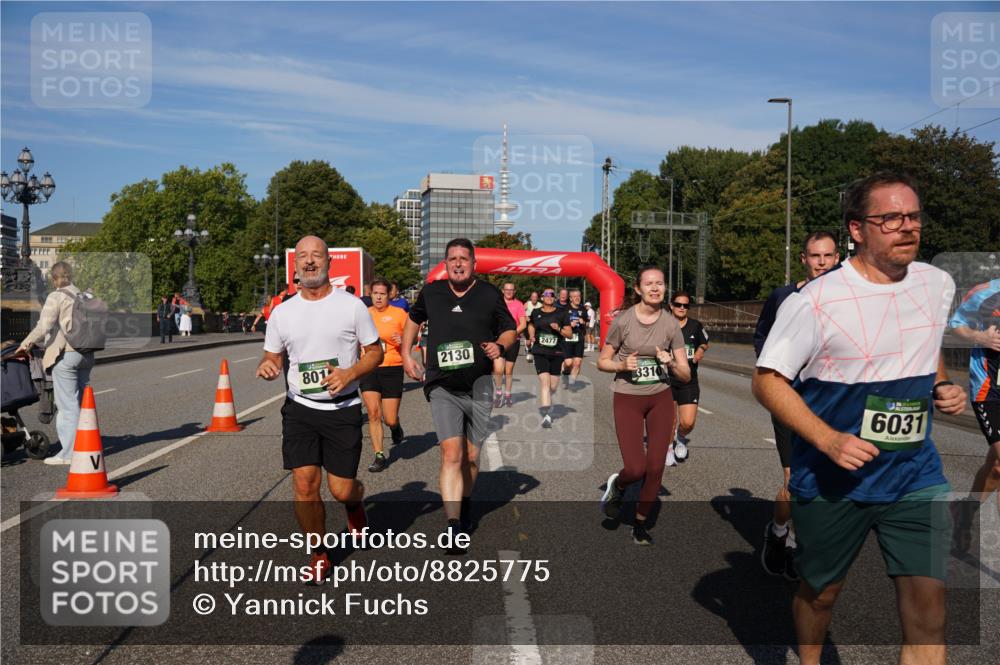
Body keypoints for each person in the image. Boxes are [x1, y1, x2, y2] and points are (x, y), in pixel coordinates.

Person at [752, 172, 966, 665]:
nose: (906, 227)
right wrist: (827, 440)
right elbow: (766, 382)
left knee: (929, 608)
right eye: (890, 218)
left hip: (915, 477)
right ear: (857, 229)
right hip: (833, 481)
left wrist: (939, 384)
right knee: (820, 594)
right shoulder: (815, 302)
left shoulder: (937, 284)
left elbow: (925, 341)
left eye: (912, 216)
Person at [256, 235, 383, 583]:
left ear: (328, 262)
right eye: (303, 257)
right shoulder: (282, 312)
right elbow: (273, 355)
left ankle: (355, 507)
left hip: (343, 409)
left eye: (316, 256)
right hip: (300, 409)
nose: (309, 262)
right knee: (305, 484)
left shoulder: (352, 305)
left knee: (342, 489)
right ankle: (319, 553)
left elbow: (375, 352)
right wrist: (268, 365)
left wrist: (350, 372)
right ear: (295, 265)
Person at [401, 238, 516, 551]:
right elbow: (413, 319)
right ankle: (453, 526)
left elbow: (510, 328)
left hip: (480, 387)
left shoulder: (489, 294)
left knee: (472, 456)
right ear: (446, 262)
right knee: (452, 454)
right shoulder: (432, 291)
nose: (457, 263)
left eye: (463, 258)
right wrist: (405, 352)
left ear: (474, 264)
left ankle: (464, 504)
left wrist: (500, 346)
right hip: (442, 385)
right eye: (452, 258)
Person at [754, 231, 840, 580]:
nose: (821, 262)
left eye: (828, 256)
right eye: (815, 256)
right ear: (803, 258)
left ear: (837, 259)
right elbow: (762, 335)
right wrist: (777, 373)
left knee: (824, 482)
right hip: (790, 400)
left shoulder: (849, 300)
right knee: (795, 482)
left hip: (830, 403)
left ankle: (797, 540)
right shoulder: (784, 296)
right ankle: (778, 533)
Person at [598, 266, 690, 545]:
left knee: (656, 467)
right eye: (649, 284)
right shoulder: (623, 321)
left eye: (660, 284)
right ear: (637, 289)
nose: (655, 288)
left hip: (660, 397)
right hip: (627, 396)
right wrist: (621, 364)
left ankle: (639, 523)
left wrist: (671, 362)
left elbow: (686, 374)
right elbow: (602, 361)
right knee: (636, 468)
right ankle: (620, 484)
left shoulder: (671, 324)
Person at [17, 262, 97, 465]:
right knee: (79, 404)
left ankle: (69, 454)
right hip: (87, 354)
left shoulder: (57, 296)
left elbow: (43, 326)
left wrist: (25, 344)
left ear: (54, 279)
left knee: (67, 406)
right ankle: (86, 445)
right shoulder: (84, 295)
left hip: (66, 353)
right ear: (71, 276)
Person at [948, 277, 1000, 550]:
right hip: (990, 390)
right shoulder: (987, 293)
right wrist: (982, 337)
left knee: (998, 467)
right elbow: (956, 326)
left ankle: (964, 513)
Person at [361, 277, 409, 473]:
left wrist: (403, 339)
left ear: (389, 294)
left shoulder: (399, 314)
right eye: (375, 293)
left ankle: (395, 427)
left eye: (382, 294)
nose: (379, 297)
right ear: (370, 294)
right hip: (369, 368)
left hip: (392, 368)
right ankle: (379, 455)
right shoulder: (363, 314)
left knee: (389, 418)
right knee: (373, 413)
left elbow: (413, 338)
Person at [667, 290, 709, 465]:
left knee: (688, 422)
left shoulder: (695, 326)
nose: (682, 308)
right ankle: (668, 448)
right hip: (666, 379)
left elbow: (704, 342)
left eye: (685, 305)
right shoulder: (663, 325)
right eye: (678, 304)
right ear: (671, 305)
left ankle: (681, 436)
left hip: (688, 380)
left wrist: (700, 351)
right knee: (670, 419)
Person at [527, 288, 573, 428]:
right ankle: (547, 416)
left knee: (553, 386)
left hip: (557, 353)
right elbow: (531, 325)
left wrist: (558, 329)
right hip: (540, 351)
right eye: (546, 294)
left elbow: (569, 334)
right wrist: (531, 336)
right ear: (542, 297)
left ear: (554, 298)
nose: (549, 297)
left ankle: (548, 400)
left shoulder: (562, 313)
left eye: (551, 295)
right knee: (545, 384)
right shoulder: (536, 312)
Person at [493, 282, 527, 407]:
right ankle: (498, 393)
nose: (509, 292)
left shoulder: (519, 304)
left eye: (511, 290)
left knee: (508, 371)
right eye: (507, 289)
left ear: (514, 291)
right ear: (502, 290)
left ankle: (507, 395)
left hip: (514, 341)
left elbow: (523, 324)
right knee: (498, 369)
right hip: (499, 341)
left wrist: (512, 334)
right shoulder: (497, 303)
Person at [560, 288, 590, 388]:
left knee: (577, 363)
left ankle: (571, 383)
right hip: (568, 338)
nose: (577, 298)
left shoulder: (583, 309)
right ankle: (565, 371)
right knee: (569, 363)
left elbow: (588, 323)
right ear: (571, 298)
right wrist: (568, 324)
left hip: (579, 338)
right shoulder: (564, 309)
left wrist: (584, 322)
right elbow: (559, 324)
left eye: (579, 296)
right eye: (575, 296)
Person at [523, 291, 542, 362]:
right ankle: (528, 349)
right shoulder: (527, 304)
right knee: (528, 342)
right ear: (531, 297)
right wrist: (525, 317)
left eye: (536, 297)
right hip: (527, 324)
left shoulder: (540, 305)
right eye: (533, 297)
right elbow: (521, 312)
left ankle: (535, 353)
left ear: (537, 298)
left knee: (535, 339)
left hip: (536, 324)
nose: (534, 298)